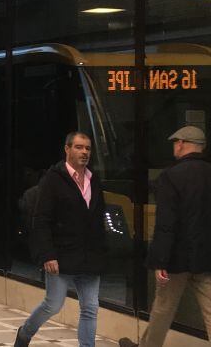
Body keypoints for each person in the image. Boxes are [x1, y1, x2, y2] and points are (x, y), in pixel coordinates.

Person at [119, 126, 211, 347]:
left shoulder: (170, 177)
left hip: (176, 259)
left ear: (181, 144)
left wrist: (160, 260)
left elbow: (166, 224)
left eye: (175, 143)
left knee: (163, 310)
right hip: (206, 256)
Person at [15, 132, 106, 347]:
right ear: (67, 149)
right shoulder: (53, 180)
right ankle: (25, 333)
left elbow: (98, 217)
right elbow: (42, 220)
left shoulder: (94, 180)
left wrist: (102, 250)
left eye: (87, 148)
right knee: (53, 304)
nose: (84, 152)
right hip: (61, 255)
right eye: (79, 147)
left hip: (90, 256)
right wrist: (47, 254)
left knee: (90, 308)